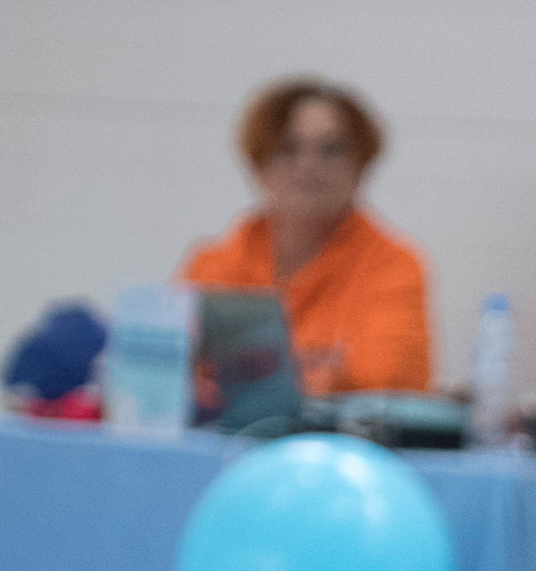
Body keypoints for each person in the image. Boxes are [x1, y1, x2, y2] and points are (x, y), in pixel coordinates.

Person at [179, 79, 433, 396]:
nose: (308, 166)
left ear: (361, 165)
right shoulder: (211, 268)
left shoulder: (394, 267)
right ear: (258, 165)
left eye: (332, 150)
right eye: (288, 149)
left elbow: (386, 382)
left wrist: (240, 383)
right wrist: (321, 375)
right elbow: (167, 379)